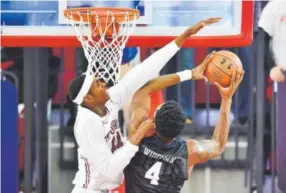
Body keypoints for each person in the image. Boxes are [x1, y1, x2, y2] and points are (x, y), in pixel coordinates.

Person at [68, 17, 221, 193]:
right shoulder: (87, 123)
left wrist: (182, 43)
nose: (103, 83)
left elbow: (141, 73)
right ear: (88, 98)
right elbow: (109, 170)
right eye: (97, 85)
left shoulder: (108, 100)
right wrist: (139, 134)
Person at [124, 60, 244, 192]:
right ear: (181, 128)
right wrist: (226, 99)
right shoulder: (190, 151)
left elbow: (145, 88)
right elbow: (218, 144)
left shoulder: (138, 133)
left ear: (155, 121)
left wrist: (190, 74)